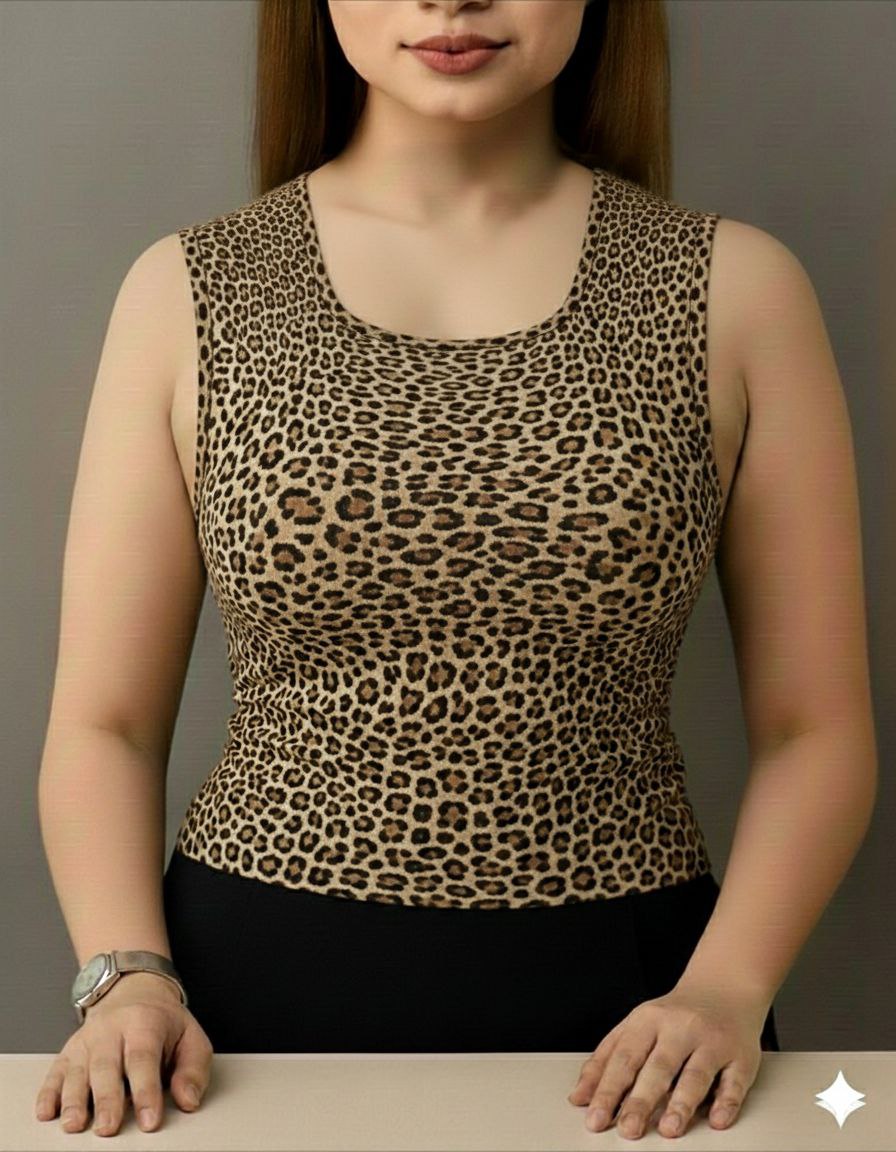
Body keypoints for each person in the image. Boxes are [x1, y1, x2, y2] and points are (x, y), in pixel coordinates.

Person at [34, 0, 878, 1143]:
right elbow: (106, 724)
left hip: (646, 1032)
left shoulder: (736, 288)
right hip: (231, 1022)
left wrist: (724, 991)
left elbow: (812, 730)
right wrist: (127, 979)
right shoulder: (190, 288)